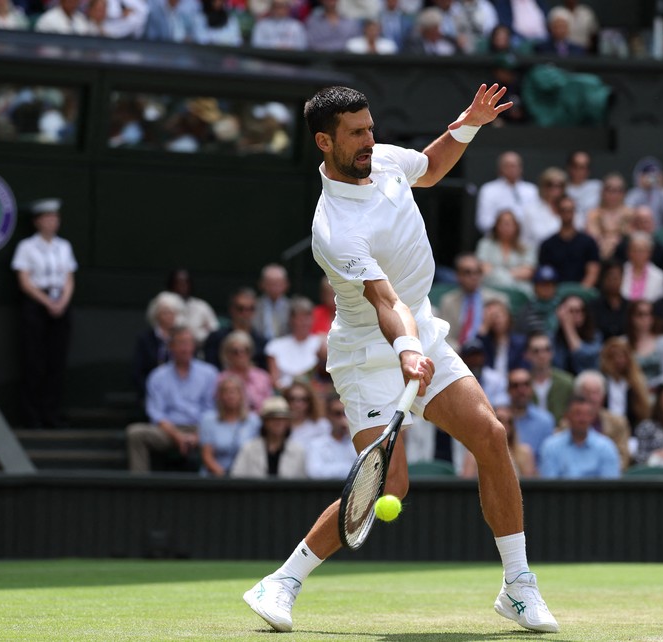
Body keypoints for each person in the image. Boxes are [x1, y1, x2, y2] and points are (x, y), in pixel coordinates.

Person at [243, 85, 559, 634]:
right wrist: (406, 349)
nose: (370, 139)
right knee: (390, 488)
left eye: (370, 127)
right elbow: (385, 302)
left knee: (489, 433)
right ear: (324, 142)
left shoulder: (384, 159)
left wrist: (469, 123)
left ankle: (518, 586)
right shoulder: (333, 229)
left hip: (421, 331)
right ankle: (283, 581)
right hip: (368, 352)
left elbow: (432, 168)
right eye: (357, 133)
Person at [12, 198, 78, 429]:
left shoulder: (65, 246)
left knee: (56, 362)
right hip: (36, 305)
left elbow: (69, 279)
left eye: (55, 218)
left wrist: (62, 302)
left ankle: (51, 413)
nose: (53, 222)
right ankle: (31, 416)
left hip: (60, 304)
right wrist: (46, 302)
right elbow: (25, 281)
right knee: (34, 361)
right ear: (38, 221)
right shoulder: (27, 247)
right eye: (48, 218)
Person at [126, 327, 218, 473]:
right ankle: (139, 486)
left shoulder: (210, 373)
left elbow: (212, 410)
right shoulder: (157, 376)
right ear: (170, 347)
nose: (185, 348)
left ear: (194, 346)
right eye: (180, 343)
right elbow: (156, 413)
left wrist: (197, 435)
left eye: (188, 343)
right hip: (168, 430)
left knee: (225, 431)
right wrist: (177, 436)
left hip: (201, 429)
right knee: (135, 433)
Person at [538, 397, 620, 479]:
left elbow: (610, 487)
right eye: (577, 414)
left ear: (592, 417)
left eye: (586, 414)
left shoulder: (606, 447)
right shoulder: (551, 447)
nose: (582, 419)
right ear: (567, 416)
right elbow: (548, 486)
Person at [439, 254, 509, 349]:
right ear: (458, 276)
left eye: (477, 272)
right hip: (458, 352)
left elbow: (503, 336)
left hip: (488, 353)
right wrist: (461, 351)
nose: (473, 277)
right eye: (467, 272)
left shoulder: (498, 299)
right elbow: (445, 337)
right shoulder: (448, 301)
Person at [198, 375, 262, 477]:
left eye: (235, 391)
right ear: (220, 396)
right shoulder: (208, 419)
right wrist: (225, 477)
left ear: (242, 395)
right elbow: (207, 455)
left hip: (246, 477)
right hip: (215, 477)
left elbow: (257, 454)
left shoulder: (254, 421)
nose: (230, 395)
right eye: (226, 391)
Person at [231, 396, 309, 478]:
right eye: (273, 419)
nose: (278, 423)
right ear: (265, 422)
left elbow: (302, 483)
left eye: (282, 419)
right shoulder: (249, 449)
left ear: (287, 422)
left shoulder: (298, 451)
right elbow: (237, 478)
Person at [572, 370, 630, 470]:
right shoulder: (568, 424)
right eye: (587, 393)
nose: (592, 398)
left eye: (596, 393)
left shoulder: (618, 423)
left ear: (603, 396)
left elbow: (623, 458)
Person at [538, 195, 600, 286]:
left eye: (570, 210)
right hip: (555, 294)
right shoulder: (547, 245)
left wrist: (579, 294)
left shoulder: (588, 242)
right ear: (557, 212)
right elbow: (545, 275)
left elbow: (593, 272)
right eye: (563, 210)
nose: (567, 213)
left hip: (583, 293)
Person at [462, 405, 537, 479]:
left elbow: (530, 487)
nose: (504, 425)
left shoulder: (524, 453)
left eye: (509, 422)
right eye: (499, 420)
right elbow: (465, 487)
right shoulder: (474, 455)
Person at [134, 292, 185, 399]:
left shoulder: (182, 338)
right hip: (152, 392)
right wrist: (149, 392)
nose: (169, 316)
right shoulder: (145, 339)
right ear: (156, 314)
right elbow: (139, 371)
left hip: (180, 393)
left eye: (172, 312)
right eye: (165, 312)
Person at [266, 297, 325, 389]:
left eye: (307, 318)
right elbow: (274, 380)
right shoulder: (275, 345)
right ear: (291, 320)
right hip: (284, 393)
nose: (304, 323)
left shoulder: (321, 343)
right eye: (300, 318)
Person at [475, 151, 540, 235]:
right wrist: (505, 229)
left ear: (521, 167)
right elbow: (483, 222)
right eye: (507, 165)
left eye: (514, 165)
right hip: (496, 240)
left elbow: (536, 219)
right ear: (500, 168)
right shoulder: (488, 190)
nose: (512, 169)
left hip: (525, 241)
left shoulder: (532, 190)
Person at [204, 288, 269, 370]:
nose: (245, 313)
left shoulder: (262, 341)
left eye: (250, 309)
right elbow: (211, 369)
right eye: (240, 308)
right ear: (231, 309)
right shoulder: (216, 338)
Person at [475, 210, 537, 294]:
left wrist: (499, 274)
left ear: (516, 226)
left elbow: (527, 272)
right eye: (503, 223)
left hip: (519, 289)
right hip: (491, 287)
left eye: (509, 224)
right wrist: (512, 274)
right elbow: (484, 268)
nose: (506, 227)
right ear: (496, 226)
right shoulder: (485, 244)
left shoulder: (527, 247)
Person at [303, 394, 358, 479]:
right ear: (328, 415)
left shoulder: (357, 441)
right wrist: (349, 469)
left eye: (346, 413)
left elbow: (365, 472)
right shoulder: (316, 444)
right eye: (337, 414)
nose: (342, 418)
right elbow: (314, 472)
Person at [524, 331, 574, 422]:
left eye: (547, 350)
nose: (542, 355)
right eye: (536, 351)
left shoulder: (566, 383)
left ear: (552, 353)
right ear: (528, 354)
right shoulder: (521, 384)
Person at [506, 367, 556, 459]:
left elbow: (547, 459)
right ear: (508, 390)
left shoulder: (545, 421)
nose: (521, 390)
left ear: (532, 388)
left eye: (526, 385)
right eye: (515, 386)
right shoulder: (499, 419)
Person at [219, 331, 273, 413]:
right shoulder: (222, 378)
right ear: (228, 354)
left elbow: (269, 404)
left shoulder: (262, 376)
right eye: (236, 352)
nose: (241, 354)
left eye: (246, 350)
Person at [164, 268, 219, 345]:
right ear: (171, 285)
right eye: (178, 282)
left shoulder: (201, 306)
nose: (182, 285)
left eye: (186, 282)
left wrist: (197, 336)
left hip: (199, 349)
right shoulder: (164, 304)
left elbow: (214, 330)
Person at [552, 294, 602, 375]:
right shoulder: (552, 338)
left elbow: (581, 355)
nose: (575, 315)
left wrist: (568, 327)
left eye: (579, 311)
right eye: (571, 311)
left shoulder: (595, 336)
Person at [477, 299, 527, 379]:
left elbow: (523, 368)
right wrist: (485, 327)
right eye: (490, 317)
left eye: (497, 316)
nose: (495, 320)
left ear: (507, 316)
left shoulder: (520, 342)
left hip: (513, 385)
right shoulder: (484, 342)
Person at [626, 299, 663, 385]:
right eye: (640, 315)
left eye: (648, 314)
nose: (645, 319)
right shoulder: (623, 343)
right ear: (631, 317)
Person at [621, 232, 663, 303]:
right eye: (634, 250)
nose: (638, 254)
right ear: (628, 252)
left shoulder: (659, 276)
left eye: (642, 251)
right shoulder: (620, 271)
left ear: (649, 253)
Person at [591, 260, 629, 339]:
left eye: (616, 277)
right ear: (603, 279)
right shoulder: (593, 306)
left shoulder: (629, 306)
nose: (613, 281)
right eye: (610, 277)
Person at [284, 382, 330, 447]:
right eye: (292, 399)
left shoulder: (320, 425)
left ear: (310, 402)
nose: (297, 404)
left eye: (303, 399)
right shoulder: (280, 426)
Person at [254, 264, 291, 343]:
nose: (274, 287)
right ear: (262, 284)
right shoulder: (253, 305)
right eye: (270, 283)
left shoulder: (292, 307)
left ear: (286, 284)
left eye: (278, 283)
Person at [564, 150, 601, 222]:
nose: (578, 171)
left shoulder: (598, 187)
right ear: (568, 167)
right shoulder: (560, 188)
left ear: (588, 170)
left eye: (582, 167)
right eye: (575, 166)